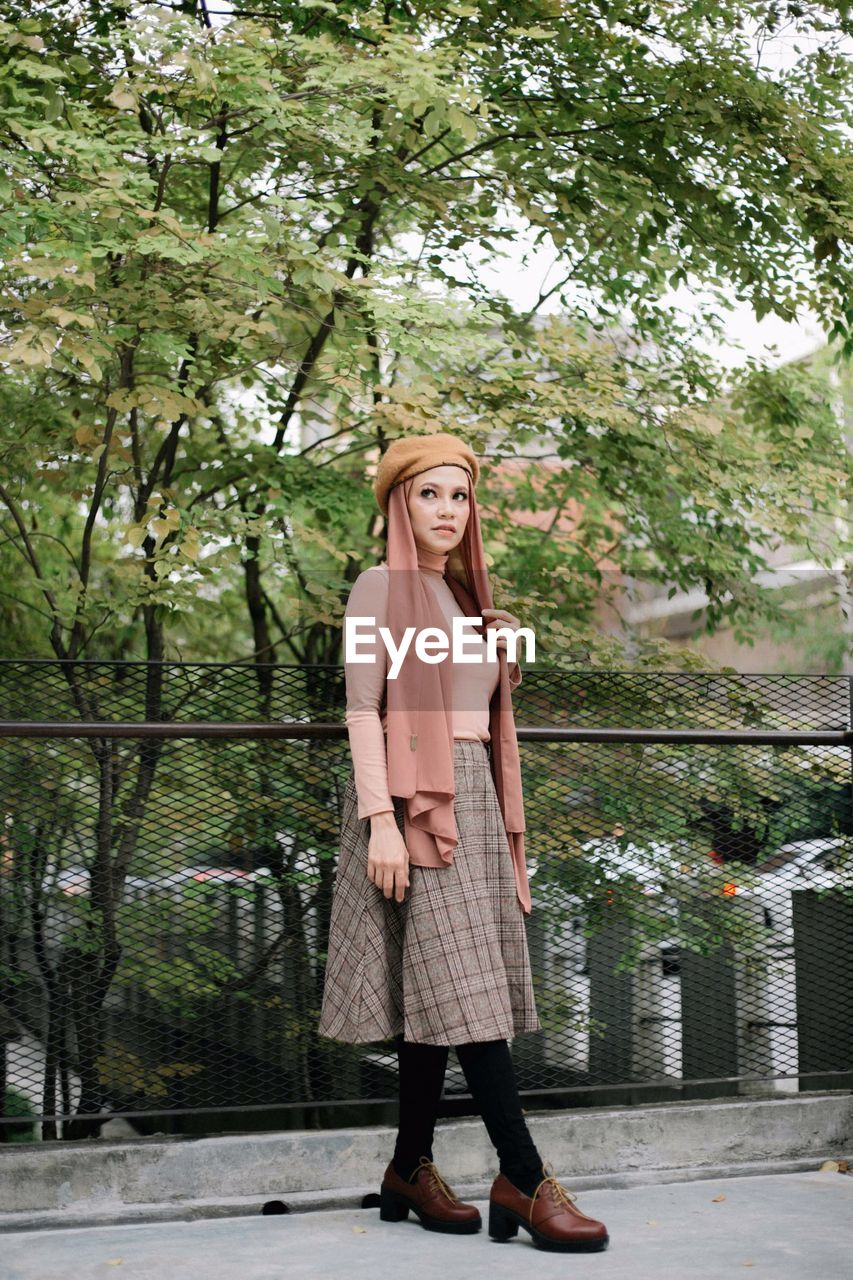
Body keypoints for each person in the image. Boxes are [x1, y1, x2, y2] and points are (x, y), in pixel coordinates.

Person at [318, 432, 609, 1253]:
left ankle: (409, 1168)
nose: (448, 510)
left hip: (473, 799)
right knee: (469, 996)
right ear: (396, 505)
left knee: (437, 994)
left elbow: (474, 719)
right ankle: (523, 1175)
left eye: (459, 495)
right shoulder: (379, 588)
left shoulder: (461, 596)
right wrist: (380, 821)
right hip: (416, 804)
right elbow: (362, 710)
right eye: (428, 495)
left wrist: (493, 648)